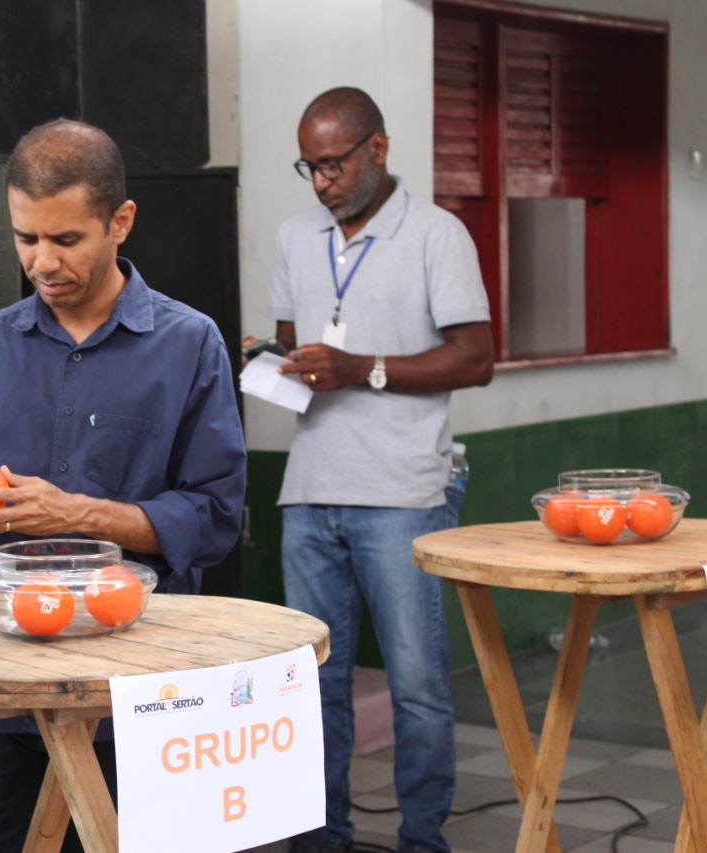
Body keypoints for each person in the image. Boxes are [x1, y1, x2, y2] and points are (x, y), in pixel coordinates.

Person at [0, 118, 247, 852]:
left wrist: (77, 514)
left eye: (66, 240)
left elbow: (215, 516)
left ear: (120, 221)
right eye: (25, 237)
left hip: (137, 691)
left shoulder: (190, 345)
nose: (42, 261)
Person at [249, 87, 494, 853]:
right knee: (315, 685)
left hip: (403, 494)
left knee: (418, 689)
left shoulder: (436, 235)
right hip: (310, 491)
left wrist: (364, 368)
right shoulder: (296, 236)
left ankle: (424, 840)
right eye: (308, 167)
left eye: (332, 163)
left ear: (376, 150)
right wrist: (273, 364)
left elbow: (476, 358)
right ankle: (321, 838)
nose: (321, 182)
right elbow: (297, 347)